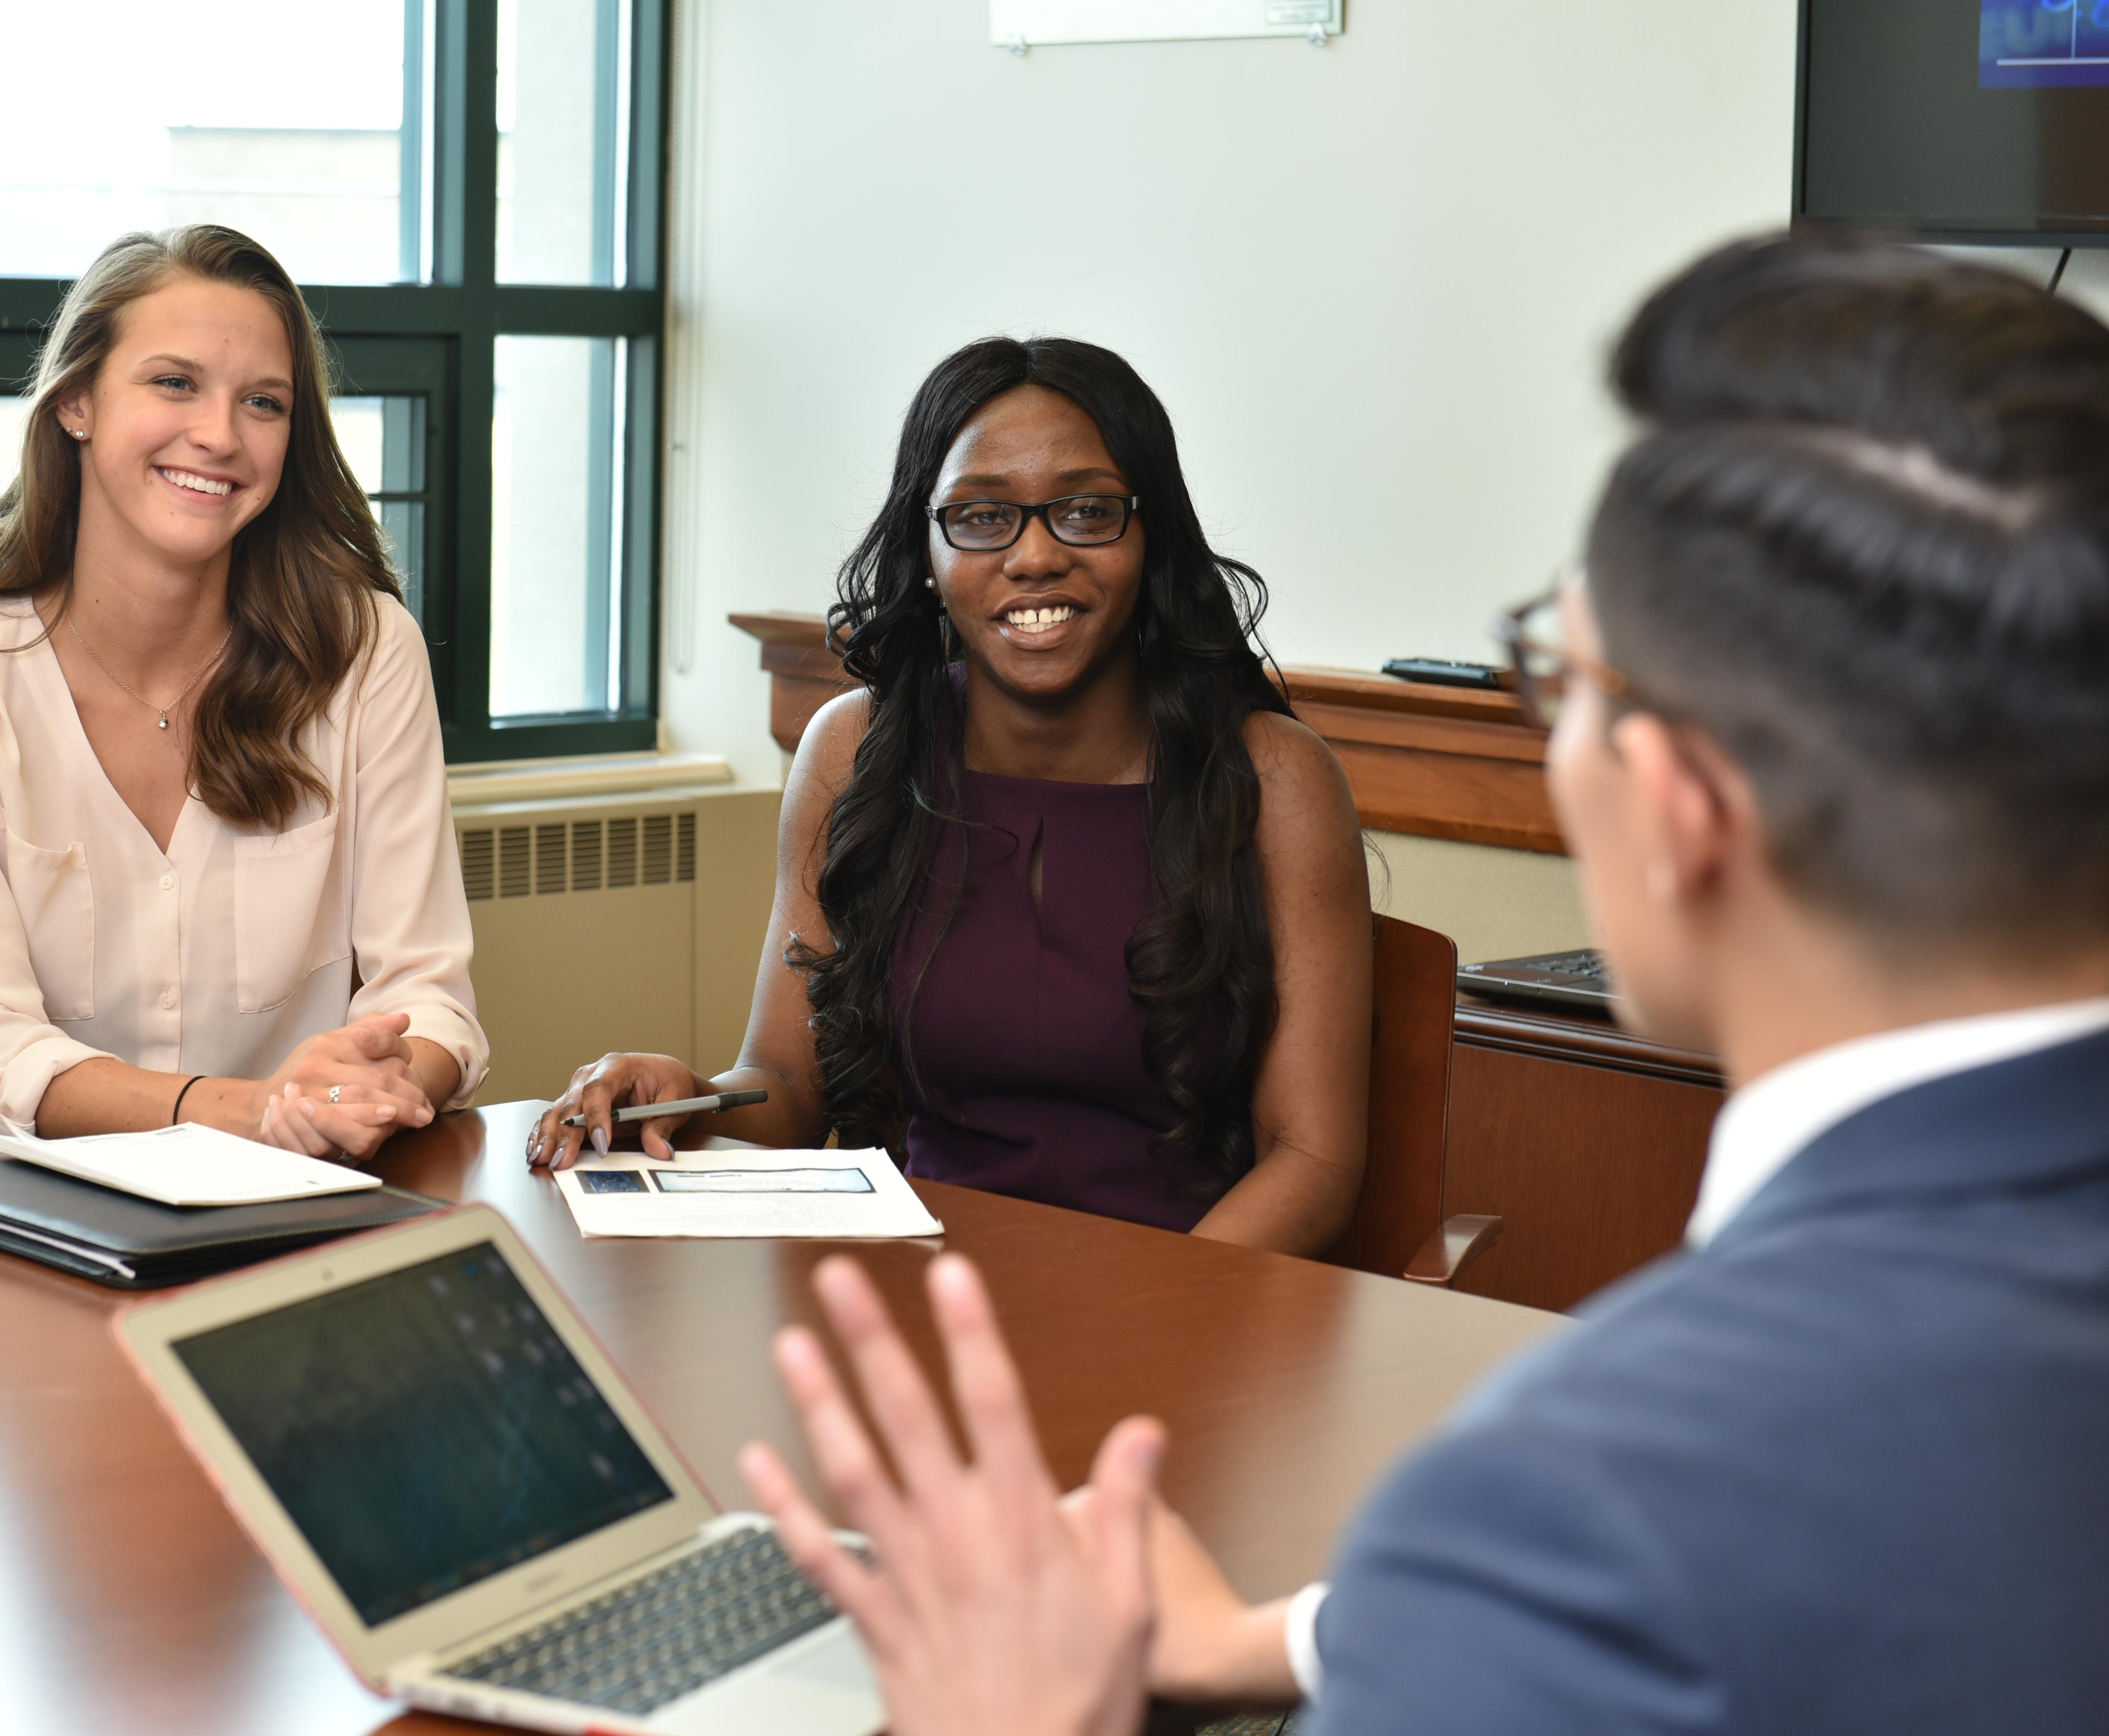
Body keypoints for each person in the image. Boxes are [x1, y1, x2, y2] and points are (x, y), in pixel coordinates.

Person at [735, 233, 2109, 1734]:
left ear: (1678, 803)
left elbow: (1595, 1580)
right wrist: (1314, 1637)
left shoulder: (1572, 1499)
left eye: (1556, 681)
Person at [534, 338, 1374, 1253]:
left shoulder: (1273, 776)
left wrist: (1159, 1325)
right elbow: (784, 1077)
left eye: (1086, 510)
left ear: (1149, 533)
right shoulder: (854, 747)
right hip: (912, 1295)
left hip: (1190, 1308)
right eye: (980, 517)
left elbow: (1312, 1157)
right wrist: (686, 1098)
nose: (1034, 556)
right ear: (925, 546)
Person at [0, 225, 484, 1163]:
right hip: (14, 1227)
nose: (220, 436)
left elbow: (429, 998)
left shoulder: (365, 653)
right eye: (174, 382)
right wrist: (254, 1107)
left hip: (293, 1204)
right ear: (76, 403)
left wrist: (372, 1084)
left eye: (263, 402)